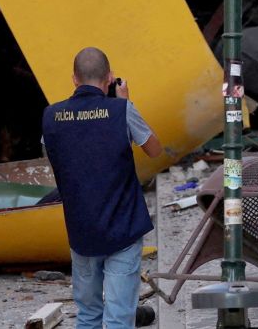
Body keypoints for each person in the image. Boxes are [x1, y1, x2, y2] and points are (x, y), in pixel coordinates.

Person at [41, 47, 163, 329]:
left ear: (74, 79)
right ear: (109, 78)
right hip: (123, 227)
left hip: (82, 229)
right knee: (119, 317)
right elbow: (154, 150)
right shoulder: (121, 110)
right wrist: (125, 103)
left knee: (88, 315)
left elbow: (56, 160)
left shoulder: (51, 117)